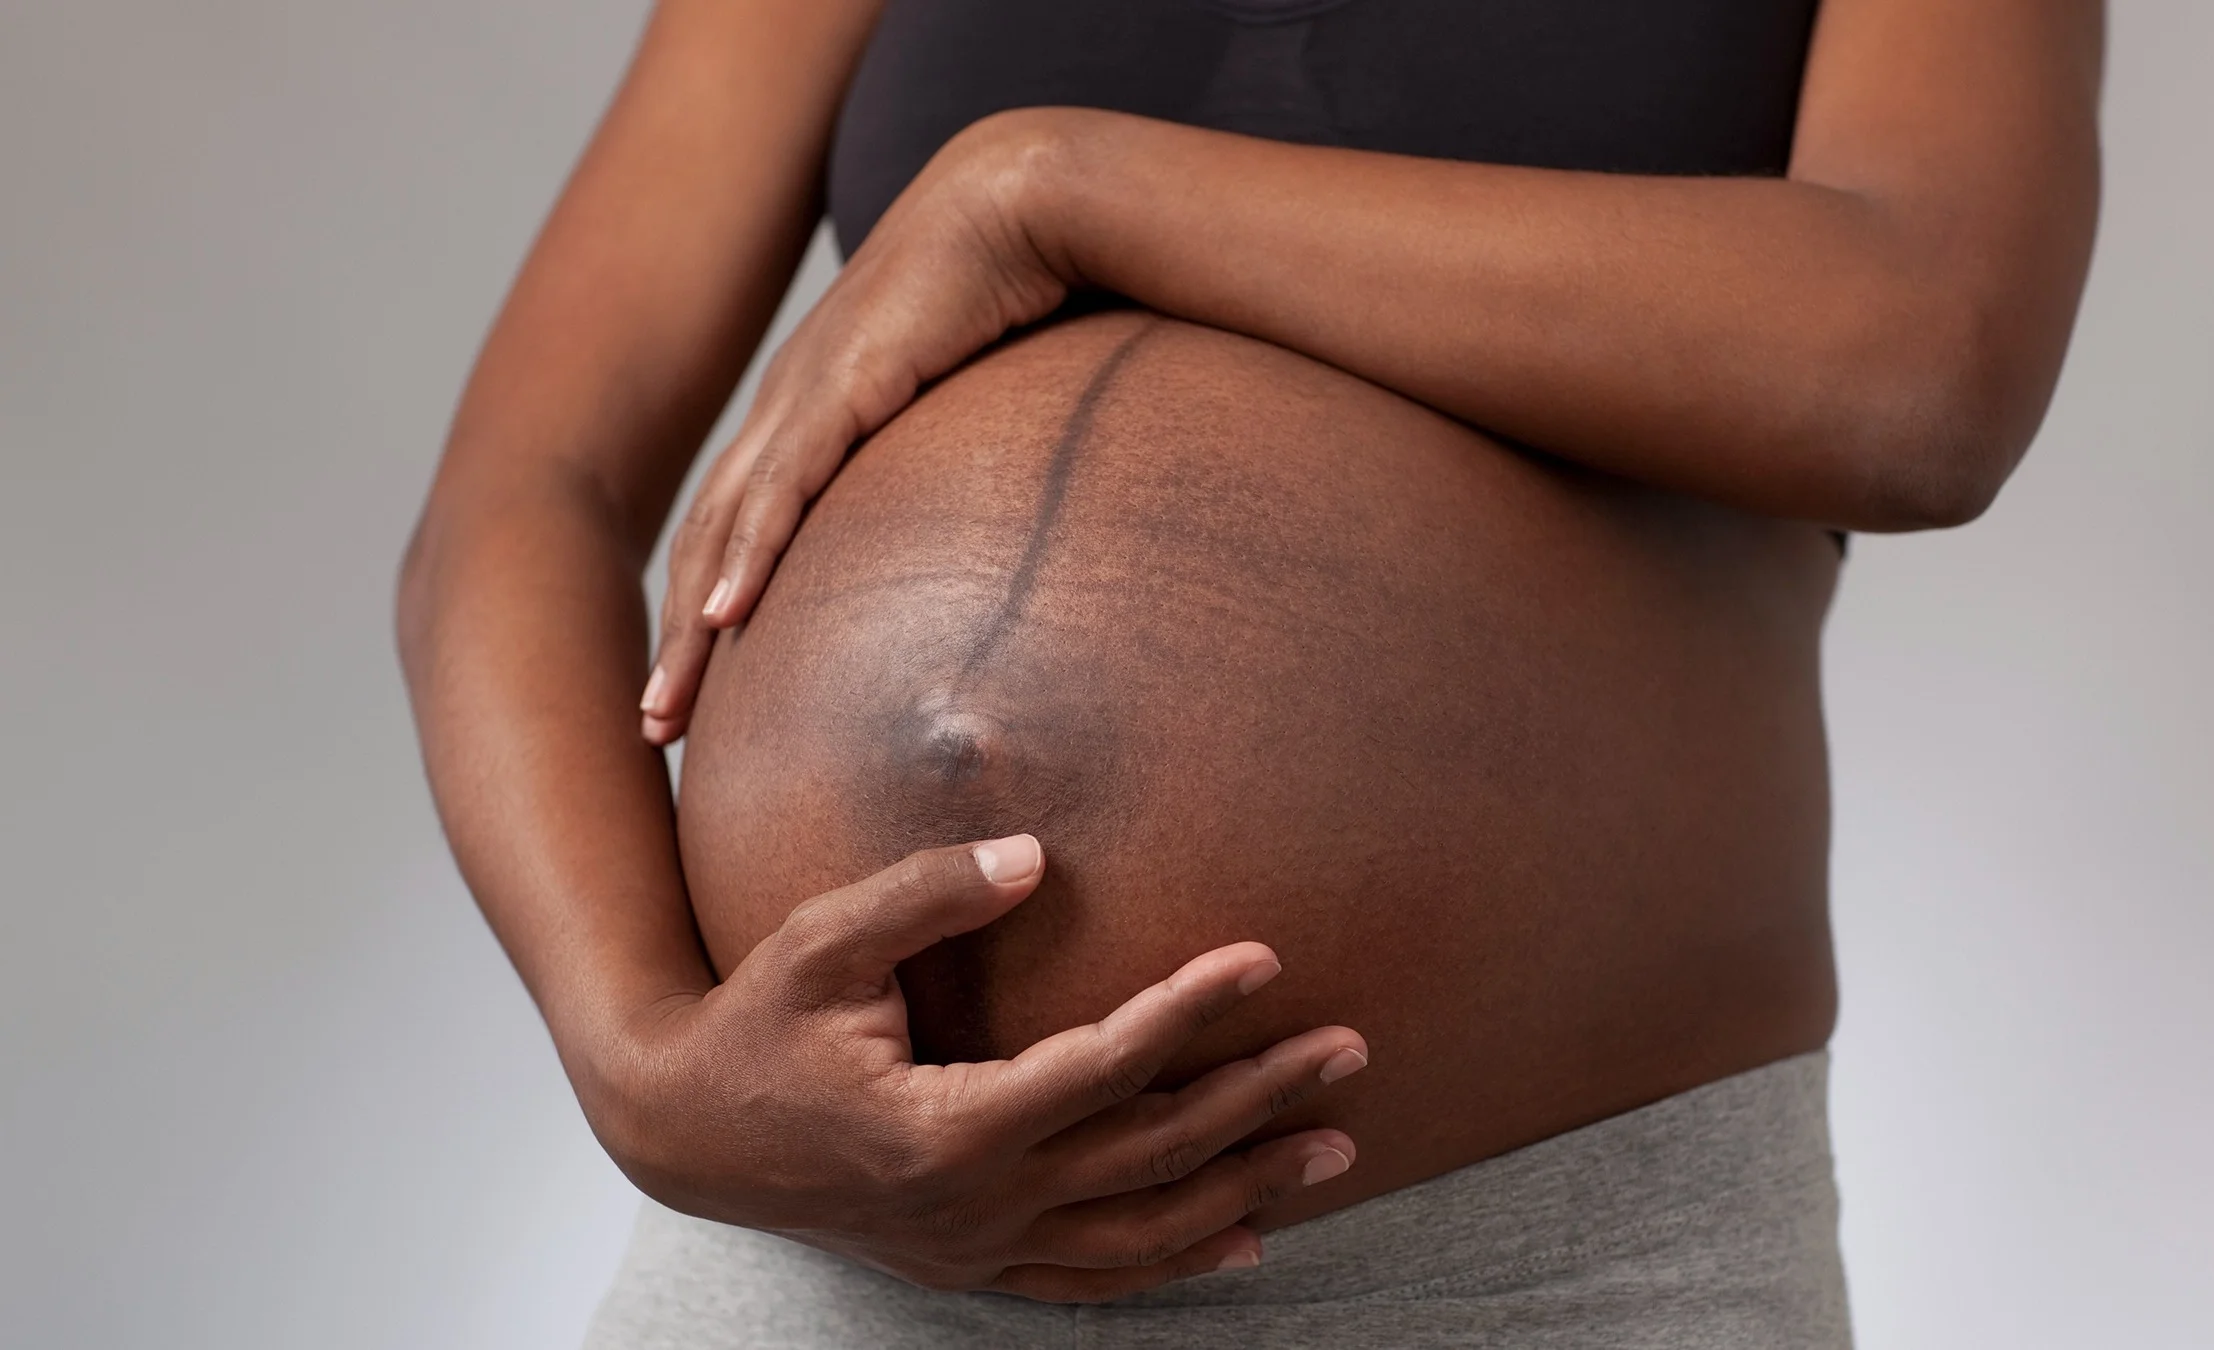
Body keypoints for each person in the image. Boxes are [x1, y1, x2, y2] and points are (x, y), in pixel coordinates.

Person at [397, 1, 2101, 1344]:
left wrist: (1061, 191)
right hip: (838, 1259)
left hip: (1531, 1272)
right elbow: (527, 489)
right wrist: (633, 1049)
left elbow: (1920, 363)